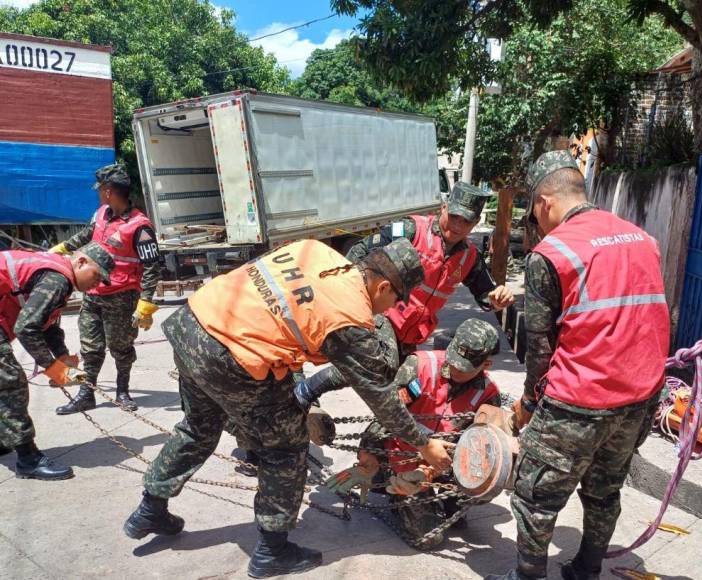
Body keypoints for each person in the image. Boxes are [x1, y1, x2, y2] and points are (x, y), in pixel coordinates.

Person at [122, 238, 453, 579]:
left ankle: (150, 507)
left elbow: (277, 311)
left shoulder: (316, 252)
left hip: (193, 324)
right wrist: (424, 443)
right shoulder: (349, 316)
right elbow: (380, 396)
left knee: (198, 428)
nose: (390, 310)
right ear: (383, 286)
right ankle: (272, 550)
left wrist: (294, 387)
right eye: (396, 301)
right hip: (232, 356)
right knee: (286, 447)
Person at [487, 151, 670, 580]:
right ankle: (587, 570)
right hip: (640, 399)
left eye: (533, 214)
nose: (537, 224)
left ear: (544, 202)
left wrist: (530, 405)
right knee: (604, 492)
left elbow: (540, 348)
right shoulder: (642, 238)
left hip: (578, 402)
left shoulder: (550, 254)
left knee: (535, 496)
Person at [293, 181, 514, 410]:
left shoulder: (469, 258)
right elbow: (360, 251)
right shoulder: (412, 230)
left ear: (475, 223)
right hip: (384, 314)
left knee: (405, 383)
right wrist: (350, 296)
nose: (458, 225)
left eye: (466, 221)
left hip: (413, 332)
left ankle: (389, 434)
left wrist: (497, 298)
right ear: (444, 207)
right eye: (455, 216)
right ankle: (306, 390)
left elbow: (486, 295)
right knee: (377, 363)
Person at [326, 318, 503, 547]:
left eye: (464, 366)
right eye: (454, 360)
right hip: (403, 459)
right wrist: (368, 459)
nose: (455, 368)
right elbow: (385, 415)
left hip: (444, 465)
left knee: (482, 487)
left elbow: (483, 453)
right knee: (428, 539)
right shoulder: (420, 366)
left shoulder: (488, 396)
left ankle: (450, 504)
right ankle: (389, 483)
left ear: (486, 365)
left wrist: (428, 472)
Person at [52, 164, 161, 414]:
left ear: (109, 191)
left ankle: (123, 391)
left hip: (122, 298)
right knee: (90, 347)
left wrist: (145, 303)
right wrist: (61, 249)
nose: (99, 194)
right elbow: (86, 236)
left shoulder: (140, 227)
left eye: (101, 189)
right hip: (92, 294)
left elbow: (152, 266)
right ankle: (86, 393)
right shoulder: (101, 213)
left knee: (121, 348)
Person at [0, 242, 114, 480]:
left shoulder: (55, 274)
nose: (97, 284)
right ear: (81, 262)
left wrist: (62, 358)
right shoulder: (57, 279)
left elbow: (48, 326)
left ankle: (5, 438)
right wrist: (53, 367)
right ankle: (28, 459)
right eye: (96, 275)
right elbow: (27, 328)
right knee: (10, 381)